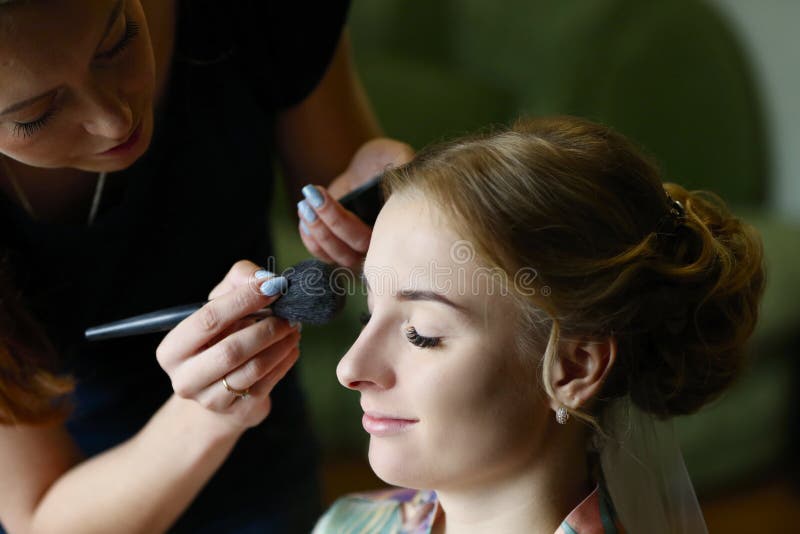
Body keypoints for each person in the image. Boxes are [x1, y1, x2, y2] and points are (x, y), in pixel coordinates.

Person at [0, 1, 411, 532]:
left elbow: (344, 205)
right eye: (36, 115)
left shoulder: (254, 14)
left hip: (266, 471)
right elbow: (38, 516)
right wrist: (206, 415)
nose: (114, 120)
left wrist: (384, 205)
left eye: (118, 40)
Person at [305, 116, 764, 533]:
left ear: (573, 367)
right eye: (369, 315)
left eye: (421, 333)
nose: (350, 368)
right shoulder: (347, 524)